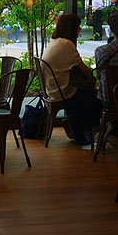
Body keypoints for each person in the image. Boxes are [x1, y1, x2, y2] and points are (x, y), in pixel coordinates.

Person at [41, 14, 101, 146]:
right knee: (93, 96)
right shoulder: (66, 44)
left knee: (88, 92)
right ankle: (87, 134)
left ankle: (80, 131)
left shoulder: (55, 41)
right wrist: (95, 78)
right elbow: (84, 70)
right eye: (77, 26)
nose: (79, 29)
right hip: (61, 91)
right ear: (71, 28)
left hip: (51, 88)